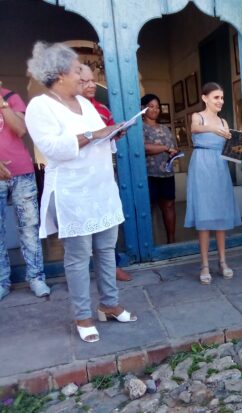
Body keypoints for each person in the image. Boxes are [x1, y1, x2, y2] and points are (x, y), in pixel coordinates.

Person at [25, 42, 136, 343]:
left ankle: (109, 305)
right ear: (60, 75)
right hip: (73, 192)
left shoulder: (86, 104)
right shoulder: (40, 106)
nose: (84, 77)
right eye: (77, 71)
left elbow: (99, 139)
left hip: (101, 188)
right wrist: (92, 134)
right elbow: (53, 148)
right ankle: (83, 316)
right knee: (77, 256)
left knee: (106, 250)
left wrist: (112, 133)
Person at [184, 82, 241, 284]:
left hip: (219, 167)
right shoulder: (197, 117)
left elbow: (232, 150)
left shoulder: (224, 122)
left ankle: (223, 261)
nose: (220, 101)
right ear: (205, 98)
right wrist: (213, 129)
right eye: (216, 97)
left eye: (222, 98)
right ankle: (205, 264)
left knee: (220, 214)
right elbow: (195, 128)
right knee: (205, 216)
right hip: (201, 166)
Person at [80, 64, 131, 281]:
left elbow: (109, 133)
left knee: (108, 222)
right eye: (85, 81)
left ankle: (113, 266)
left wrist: (116, 134)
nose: (92, 85)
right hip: (79, 176)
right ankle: (83, 269)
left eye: (93, 80)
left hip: (102, 173)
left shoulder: (102, 109)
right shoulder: (65, 111)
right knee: (83, 226)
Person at [0, 81, 50, 300]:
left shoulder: (10, 96)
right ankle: (2, 281)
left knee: (29, 227)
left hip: (22, 172)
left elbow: (20, 129)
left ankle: (36, 278)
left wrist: (2, 104)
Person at [142, 93, 178, 244]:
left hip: (167, 173)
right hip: (149, 175)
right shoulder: (140, 128)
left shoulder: (165, 128)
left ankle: (171, 241)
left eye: (157, 107)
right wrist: (164, 148)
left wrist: (174, 151)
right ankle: (149, 243)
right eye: (151, 106)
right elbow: (143, 148)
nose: (155, 110)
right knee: (148, 208)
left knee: (169, 205)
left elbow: (174, 146)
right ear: (143, 108)